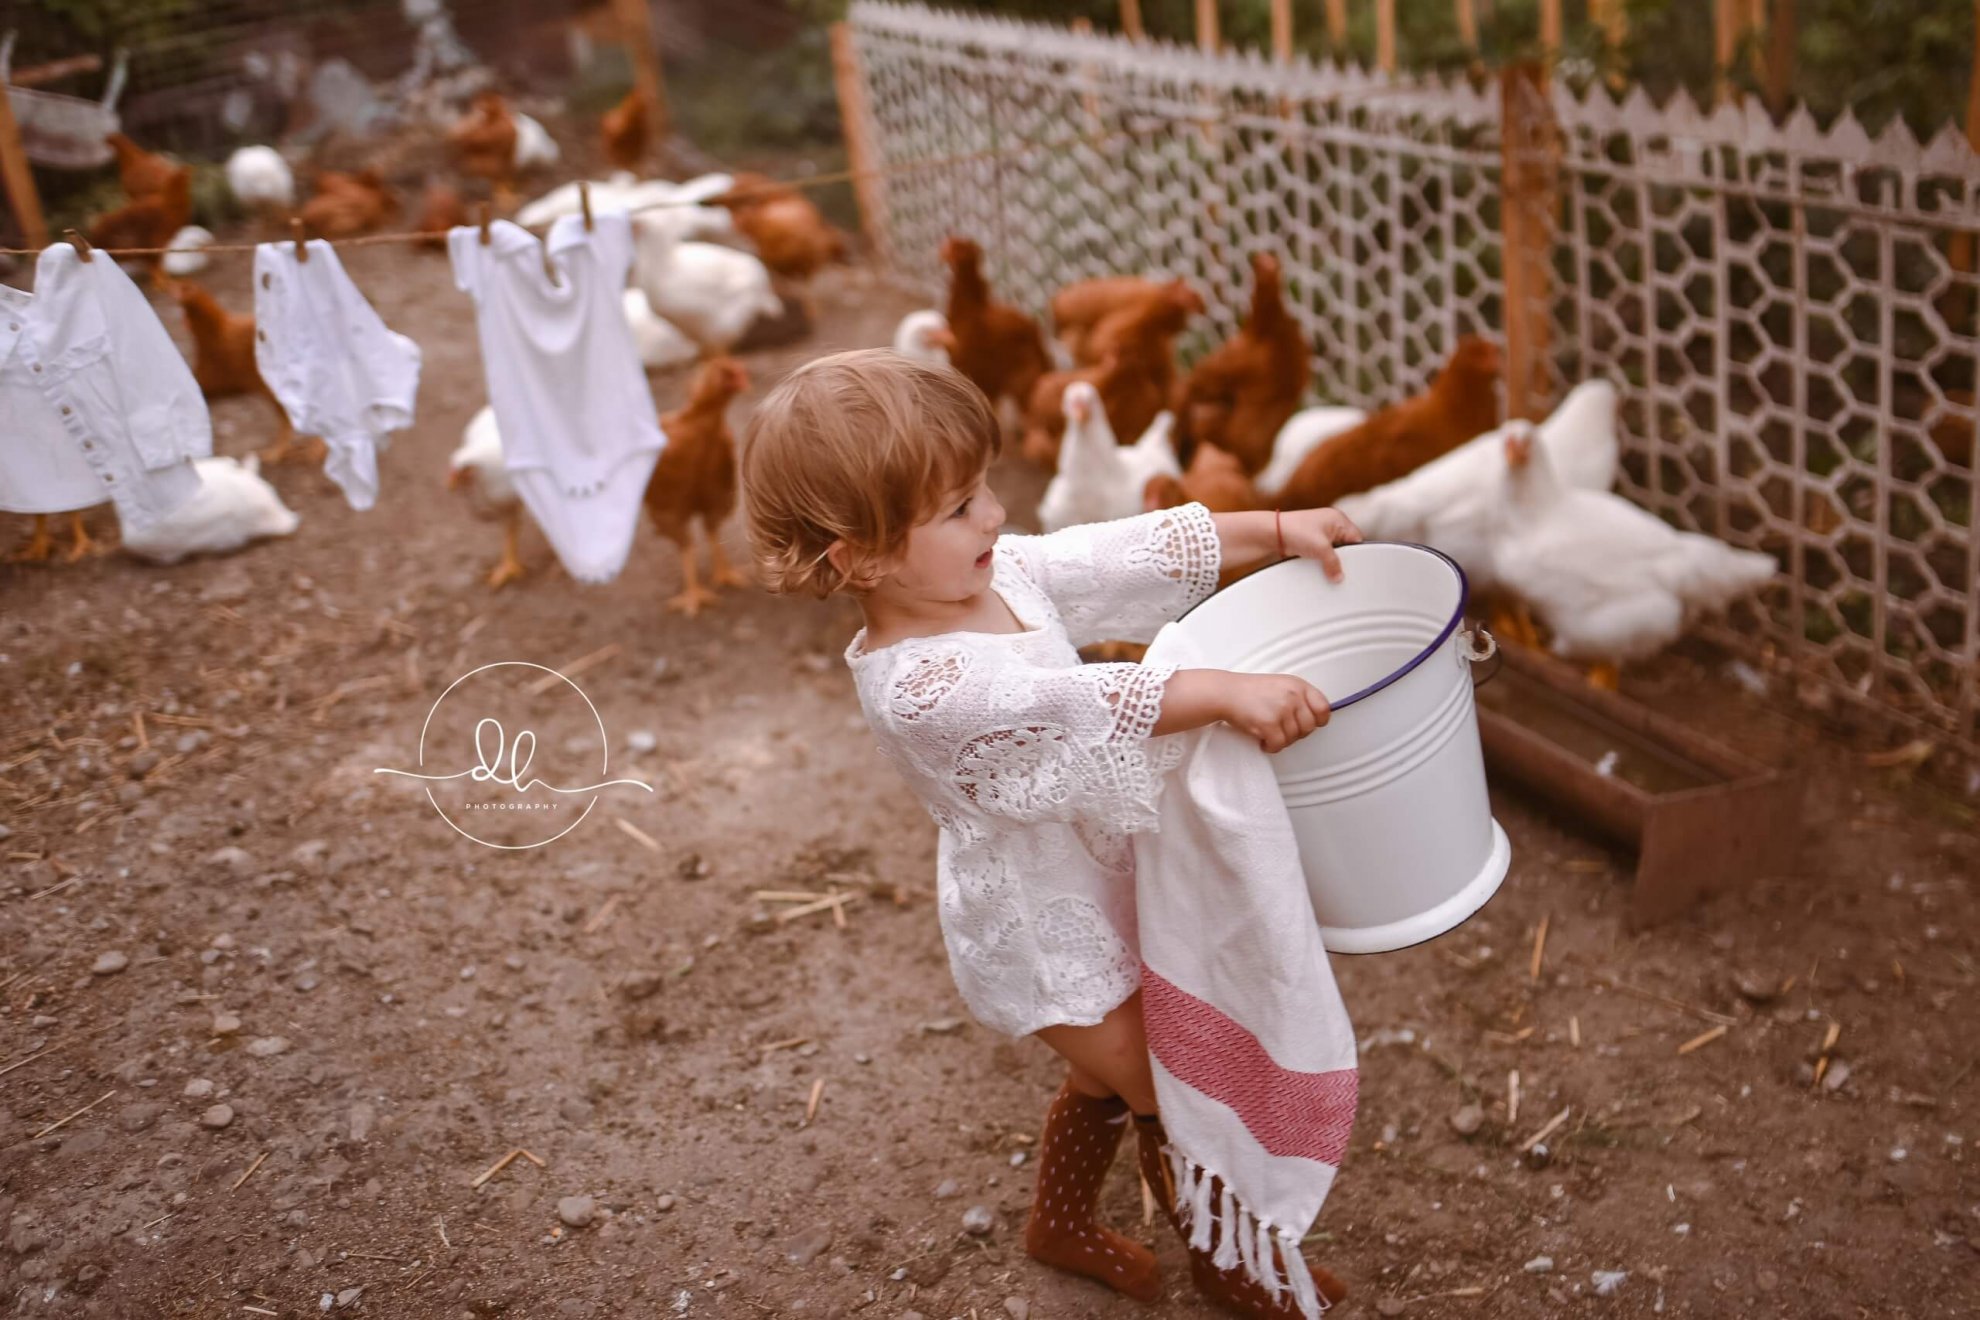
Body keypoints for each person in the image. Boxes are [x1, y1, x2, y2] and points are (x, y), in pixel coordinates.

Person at [741, 349, 1360, 1315]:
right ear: (857, 557)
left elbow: (1122, 552)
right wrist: (1222, 694)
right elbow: (1073, 701)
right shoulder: (919, 688)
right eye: (956, 508)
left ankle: (1059, 1225)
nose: (992, 515)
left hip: (1097, 878)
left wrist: (1272, 527)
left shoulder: (997, 573)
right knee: (1165, 1080)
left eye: (982, 488)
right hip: (1041, 935)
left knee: (1105, 1076)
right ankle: (1228, 1258)